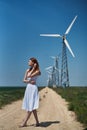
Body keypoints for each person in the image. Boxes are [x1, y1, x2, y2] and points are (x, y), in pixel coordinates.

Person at [20, 57, 41, 127]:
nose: (28, 62)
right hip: (28, 88)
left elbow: (29, 75)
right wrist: (29, 81)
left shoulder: (37, 71)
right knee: (32, 107)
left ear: (33, 63)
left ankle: (24, 123)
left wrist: (33, 69)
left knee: (31, 106)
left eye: (29, 61)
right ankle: (37, 122)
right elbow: (23, 80)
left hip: (33, 89)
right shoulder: (27, 70)